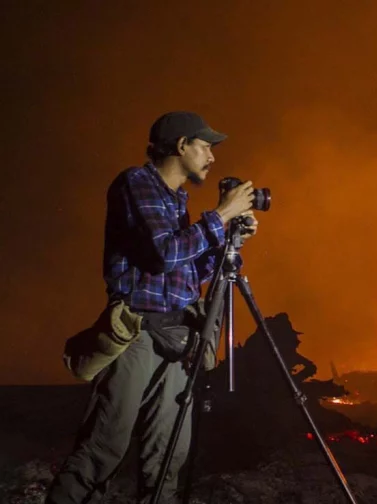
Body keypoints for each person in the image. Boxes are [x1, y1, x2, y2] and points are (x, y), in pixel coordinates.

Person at [47, 111, 258, 504]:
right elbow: (162, 253)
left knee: (167, 456)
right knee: (103, 448)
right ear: (181, 146)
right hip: (137, 333)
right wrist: (221, 215)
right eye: (205, 146)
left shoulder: (178, 202)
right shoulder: (137, 183)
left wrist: (229, 241)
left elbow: (188, 275)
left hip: (179, 338)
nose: (212, 157)